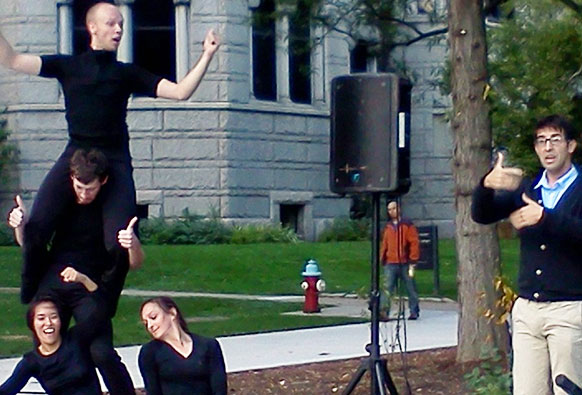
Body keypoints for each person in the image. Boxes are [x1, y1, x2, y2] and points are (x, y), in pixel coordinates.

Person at [0, 1, 220, 304]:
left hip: (114, 161)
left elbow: (181, 91)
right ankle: (34, 297)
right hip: (76, 154)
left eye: (121, 25)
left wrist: (207, 54)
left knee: (118, 238)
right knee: (36, 226)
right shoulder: (68, 67)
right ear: (92, 28)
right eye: (111, 24)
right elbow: (11, 59)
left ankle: (104, 302)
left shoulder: (126, 74)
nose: (118, 30)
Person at [8, 148, 144, 395]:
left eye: (89, 189)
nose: (83, 195)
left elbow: (134, 263)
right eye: (78, 187)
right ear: (71, 178)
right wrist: (21, 226)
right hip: (54, 283)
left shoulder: (113, 207)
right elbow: (30, 244)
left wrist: (131, 243)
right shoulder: (63, 200)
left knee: (101, 353)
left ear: (102, 181)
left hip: (88, 287)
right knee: (47, 343)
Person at [472, 114, 582, 394]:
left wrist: (544, 216)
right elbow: (482, 215)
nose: (548, 148)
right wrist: (486, 185)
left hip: (569, 308)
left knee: (569, 390)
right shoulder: (528, 189)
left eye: (555, 140)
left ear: (571, 146)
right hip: (528, 311)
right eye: (542, 141)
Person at [0, 297, 102, 395]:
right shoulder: (31, 362)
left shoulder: (76, 338)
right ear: (32, 324)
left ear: (60, 321)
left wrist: (86, 282)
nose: (48, 323)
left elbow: (100, 314)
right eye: (41, 318)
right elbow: (7, 390)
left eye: (53, 317)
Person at [139, 296, 227, 395]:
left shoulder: (209, 346)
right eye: (146, 323)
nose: (150, 326)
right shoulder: (149, 353)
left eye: (153, 317)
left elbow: (219, 390)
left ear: (172, 313)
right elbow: (153, 392)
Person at [379, 200, 420, 320]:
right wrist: (382, 258)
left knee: (410, 287)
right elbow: (385, 244)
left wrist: (413, 259)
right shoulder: (388, 227)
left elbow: (414, 243)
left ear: (399, 209)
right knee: (387, 288)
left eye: (393, 208)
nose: (391, 211)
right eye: (389, 209)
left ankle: (414, 311)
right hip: (390, 262)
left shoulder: (407, 225)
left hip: (405, 262)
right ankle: (384, 312)